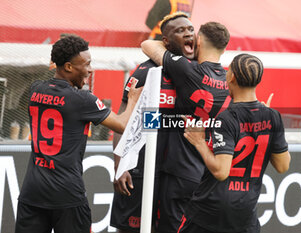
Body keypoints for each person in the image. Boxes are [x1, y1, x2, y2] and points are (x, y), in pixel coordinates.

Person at [15, 35, 141, 233]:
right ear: (68, 67)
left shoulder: (35, 90)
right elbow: (122, 125)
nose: (91, 69)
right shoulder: (82, 100)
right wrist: (133, 99)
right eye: (87, 64)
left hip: (32, 193)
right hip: (67, 196)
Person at [178, 53, 291, 233]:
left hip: (209, 211)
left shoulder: (226, 118)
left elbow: (221, 171)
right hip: (245, 213)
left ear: (232, 77)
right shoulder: (273, 116)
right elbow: (283, 165)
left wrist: (199, 142)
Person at [142, 21, 232, 233]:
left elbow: (147, 45)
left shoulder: (187, 69)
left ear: (198, 40)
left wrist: (169, 41)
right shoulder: (230, 80)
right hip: (209, 172)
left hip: (181, 171)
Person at [110, 12, 196, 233]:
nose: (188, 33)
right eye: (180, 30)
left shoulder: (195, 72)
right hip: (141, 168)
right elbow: (123, 119)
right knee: (130, 228)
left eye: (190, 29)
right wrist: (120, 164)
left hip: (176, 175)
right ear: (165, 41)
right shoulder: (146, 72)